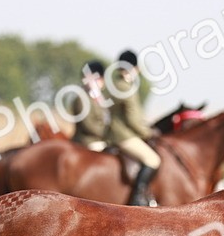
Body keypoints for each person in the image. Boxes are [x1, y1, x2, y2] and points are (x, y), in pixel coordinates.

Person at [105, 50, 161, 206]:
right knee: (153, 159)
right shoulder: (127, 88)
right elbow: (133, 119)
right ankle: (138, 196)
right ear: (133, 68)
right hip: (123, 136)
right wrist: (149, 133)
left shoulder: (115, 85)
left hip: (114, 132)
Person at [68, 60, 110, 151]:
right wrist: (108, 134)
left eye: (97, 79)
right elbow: (88, 125)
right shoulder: (81, 99)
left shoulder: (103, 99)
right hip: (87, 141)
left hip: (102, 140)